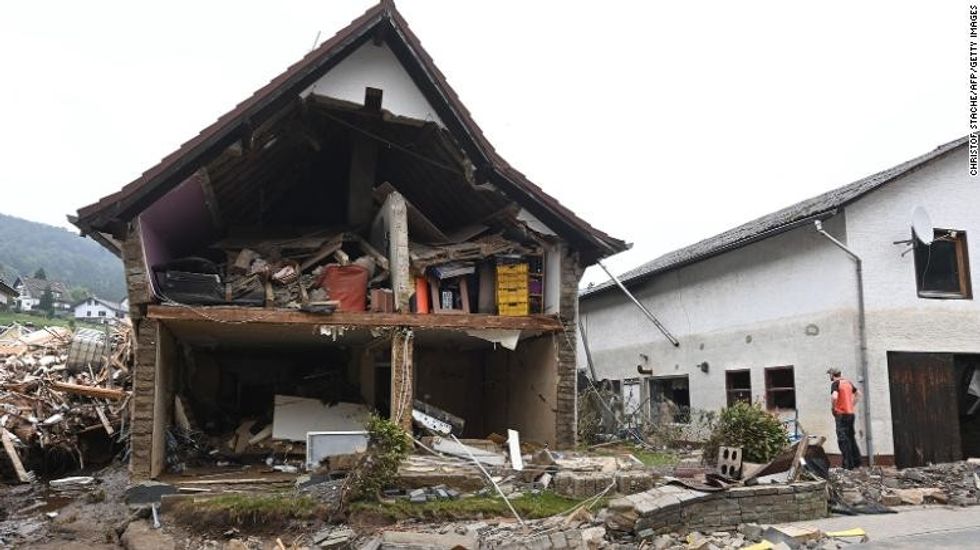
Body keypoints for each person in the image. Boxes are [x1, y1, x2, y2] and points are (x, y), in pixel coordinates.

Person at [828, 367, 862, 469]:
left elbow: (834, 397)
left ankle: (847, 465)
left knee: (843, 440)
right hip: (850, 414)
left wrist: (833, 408)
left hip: (841, 415)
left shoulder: (836, 383)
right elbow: (858, 394)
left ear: (832, 375)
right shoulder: (848, 383)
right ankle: (857, 463)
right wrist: (851, 405)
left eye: (829, 375)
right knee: (851, 438)